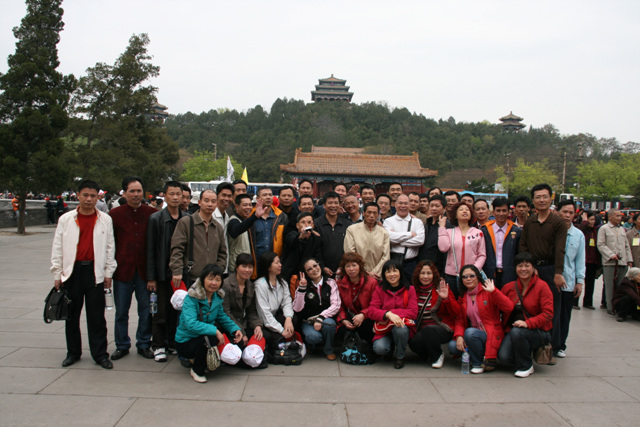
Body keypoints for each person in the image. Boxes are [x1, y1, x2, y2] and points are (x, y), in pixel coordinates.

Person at [50, 180, 117, 369]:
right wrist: (57, 273)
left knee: (97, 317)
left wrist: (108, 272)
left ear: (98, 197)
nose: (89, 199)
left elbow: (110, 247)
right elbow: (57, 247)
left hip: (95, 272)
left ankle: (100, 354)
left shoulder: (105, 219)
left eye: (93, 196)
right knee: (71, 315)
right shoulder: (66, 219)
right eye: (85, 195)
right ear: (78, 195)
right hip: (72, 272)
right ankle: (73, 352)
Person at [109, 176, 157, 361]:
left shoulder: (152, 214)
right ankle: (122, 345)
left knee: (146, 310)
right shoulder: (115, 215)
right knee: (121, 311)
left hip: (145, 272)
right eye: (132, 191)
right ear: (124, 193)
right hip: (122, 271)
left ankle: (144, 343)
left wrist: (153, 275)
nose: (136, 194)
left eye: (139, 191)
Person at [175, 264, 243, 383]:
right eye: (210, 279)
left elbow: (222, 316)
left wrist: (235, 329)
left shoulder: (217, 297)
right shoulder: (191, 298)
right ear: (203, 279)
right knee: (208, 339)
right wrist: (215, 331)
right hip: (186, 341)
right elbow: (191, 324)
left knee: (236, 339)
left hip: (204, 335)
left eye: (217, 280)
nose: (214, 283)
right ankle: (197, 370)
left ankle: (206, 360)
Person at [518, 184, 567, 343]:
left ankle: (552, 346)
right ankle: (536, 344)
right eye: (538, 197)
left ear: (550, 199)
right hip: (532, 270)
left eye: (545, 196)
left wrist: (558, 273)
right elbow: (523, 246)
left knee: (552, 309)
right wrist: (529, 267)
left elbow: (560, 249)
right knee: (531, 307)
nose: (541, 200)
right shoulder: (530, 222)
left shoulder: (558, 222)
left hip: (551, 269)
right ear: (533, 201)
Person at [448, 265, 513, 374]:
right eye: (464, 277)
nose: (468, 279)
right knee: (453, 346)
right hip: (473, 336)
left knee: (470, 333)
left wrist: (494, 292)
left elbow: (509, 307)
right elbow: (460, 320)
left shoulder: (488, 290)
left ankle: (477, 363)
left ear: (478, 277)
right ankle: (482, 356)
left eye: (472, 276)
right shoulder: (463, 296)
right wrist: (459, 336)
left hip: (490, 333)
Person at [146, 181, 185, 362]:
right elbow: (150, 250)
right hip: (162, 273)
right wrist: (151, 277)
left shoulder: (186, 218)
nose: (175, 197)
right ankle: (158, 345)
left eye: (178, 194)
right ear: (165, 195)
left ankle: (171, 342)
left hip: (180, 273)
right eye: (172, 194)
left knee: (176, 311)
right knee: (160, 312)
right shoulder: (156, 219)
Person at [499, 252, 554, 378]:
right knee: (504, 357)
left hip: (539, 331)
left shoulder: (542, 287)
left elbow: (548, 314)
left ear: (533, 268)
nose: (523, 269)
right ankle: (524, 352)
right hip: (514, 330)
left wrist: (527, 323)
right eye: (520, 266)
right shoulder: (509, 287)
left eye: (527, 266)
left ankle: (525, 366)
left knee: (517, 332)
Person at [169, 189, 228, 285]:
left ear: (216, 204)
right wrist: (177, 271)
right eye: (206, 200)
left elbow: (222, 253)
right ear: (199, 202)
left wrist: (219, 270)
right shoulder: (186, 222)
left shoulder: (218, 227)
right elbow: (177, 249)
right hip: (191, 277)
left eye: (213, 201)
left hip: (211, 280)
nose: (210, 204)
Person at [367, 259, 418, 369]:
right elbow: (371, 311)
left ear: (400, 272)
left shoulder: (410, 289)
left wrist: (393, 314)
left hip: (401, 327)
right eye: (388, 272)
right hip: (384, 328)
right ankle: (389, 350)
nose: (392, 274)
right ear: (384, 274)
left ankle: (400, 356)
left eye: (395, 271)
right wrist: (387, 314)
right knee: (379, 348)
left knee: (400, 329)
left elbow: (413, 312)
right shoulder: (379, 289)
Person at [408, 261, 460, 369]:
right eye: (422, 273)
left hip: (442, 328)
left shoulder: (441, 287)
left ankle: (437, 355)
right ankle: (429, 353)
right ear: (418, 274)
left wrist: (446, 299)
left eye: (429, 273)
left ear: (434, 275)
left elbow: (456, 311)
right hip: (421, 329)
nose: (425, 276)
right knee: (414, 343)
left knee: (429, 330)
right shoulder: (414, 289)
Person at [221, 253, 267, 367]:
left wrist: (257, 325)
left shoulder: (250, 286)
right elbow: (225, 312)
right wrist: (241, 332)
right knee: (240, 343)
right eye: (244, 266)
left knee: (262, 336)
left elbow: (251, 311)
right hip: (228, 325)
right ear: (236, 267)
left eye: (250, 267)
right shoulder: (226, 285)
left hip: (243, 322)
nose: (247, 270)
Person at [292, 258, 341, 360]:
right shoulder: (303, 286)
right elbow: (297, 309)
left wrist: (321, 317)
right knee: (313, 337)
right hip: (308, 321)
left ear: (319, 265)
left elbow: (336, 305)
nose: (314, 270)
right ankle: (311, 347)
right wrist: (302, 289)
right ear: (306, 273)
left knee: (330, 325)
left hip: (326, 319)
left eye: (315, 266)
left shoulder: (330, 282)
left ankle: (329, 350)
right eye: (309, 269)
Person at [554, 200, 585, 358]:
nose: (567, 215)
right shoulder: (551, 231)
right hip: (552, 281)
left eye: (570, 213)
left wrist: (580, 281)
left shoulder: (578, 235)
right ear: (557, 212)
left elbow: (580, 260)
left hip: (568, 282)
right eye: (564, 212)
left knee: (565, 316)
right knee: (551, 315)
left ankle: (560, 345)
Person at [438, 202, 486, 298]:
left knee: (471, 301)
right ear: (455, 215)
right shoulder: (449, 232)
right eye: (461, 210)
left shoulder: (478, 232)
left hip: (471, 276)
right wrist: (442, 227)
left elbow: (481, 255)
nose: (465, 211)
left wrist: (474, 270)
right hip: (452, 275)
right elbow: (443, 248)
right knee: (453, 301)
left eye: (467, 210)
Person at [253, 252, 296, 352]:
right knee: (276, 338)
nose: (280, 265)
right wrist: (282, 330)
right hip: (263, 321)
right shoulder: (260, 285)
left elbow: (287, 302)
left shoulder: (282, 282)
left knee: (293, 320)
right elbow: (264, 313)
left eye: (280, 262)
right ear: (268, 267)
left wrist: (288, 319)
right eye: (276, 263)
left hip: (274, 316)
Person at [336, 252, 378, 345]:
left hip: (367, 317)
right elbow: (339, 305)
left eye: (354, 265)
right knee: (341, 331)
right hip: (350, 317)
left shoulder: (372, 282)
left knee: (366, 327)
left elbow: (376, 304)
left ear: (360, 266)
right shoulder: (339, 284)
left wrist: (363, 314)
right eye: (348, 266)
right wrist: (343, 320)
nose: (351, 269)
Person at [597, 208, 633, 314]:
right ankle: (610, 307)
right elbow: (601, 245)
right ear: (610, 217)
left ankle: (619, 306)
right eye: (617, 216)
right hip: (610, 263)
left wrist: (629, 259)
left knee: (620, 286)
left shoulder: (622, 229)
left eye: (620, 216)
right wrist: (611, 255)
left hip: (622, 262)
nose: (620, 218)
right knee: (610, 286)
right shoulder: (604, 228)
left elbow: (626, 246)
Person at [481, 197, 521, 289]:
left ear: (509, 212)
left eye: (504, 210)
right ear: (493, 212)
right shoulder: (485, 230)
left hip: (509, 273)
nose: (501, 214)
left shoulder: (516, 231)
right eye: (498, 211)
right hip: (490, 273)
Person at [343, 202, 390, 279]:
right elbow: (350, 253)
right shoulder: (352, 230)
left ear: (378, 215)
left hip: (377, 276)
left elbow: (386, 256)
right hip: (357, 275)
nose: (372, 215)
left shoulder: (384, 233)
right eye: (369, 212)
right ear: (363, 213)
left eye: (374, 213)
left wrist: (374, 273)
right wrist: (364, 272)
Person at [249, 186, 288, 276]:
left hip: (274, 262)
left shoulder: (281, 216)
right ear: (258, 198)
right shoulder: (251, 216)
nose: (268, 197)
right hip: (255, 260)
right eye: (265, 195)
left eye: (270, 195)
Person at [384, 194, 425, 279]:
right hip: (393, 262)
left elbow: (420, 240)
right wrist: (410, 234)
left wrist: (397, 241)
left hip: (411, 264)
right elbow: (389, 238)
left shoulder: (417, 222)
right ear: (395, 205)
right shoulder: (388, 221)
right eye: (400, 203)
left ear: (409, 205)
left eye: (406, 203)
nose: (403, 206)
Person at [281, 212, 323, 284]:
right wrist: (301, 237)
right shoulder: (291, 234)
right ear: (297, 225)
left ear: (313, 225)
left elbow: (318, 256)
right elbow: (292, 241)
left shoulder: (315, 238)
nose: (306, 225)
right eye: (303, 222)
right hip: (290, 275)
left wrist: (323, 268)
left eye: (309, 222)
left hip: (308, 276)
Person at [227, 194, 264, 273]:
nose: (248, 207)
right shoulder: (233, 221)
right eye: (245, 205)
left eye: (250, 205)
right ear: (236, 206)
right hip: (236, 269)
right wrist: (255, 216)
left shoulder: (246, 221)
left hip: (247, 267)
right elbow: (237, 230)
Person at [314, 191, 348, 278]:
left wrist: (344, 266)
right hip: (322, 271)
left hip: (343, 270)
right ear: (324, 205)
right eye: (330, 203)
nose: (333, 206)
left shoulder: (346, 224)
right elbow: (315, 248)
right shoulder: (316, 224)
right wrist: (322, 266)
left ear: (340, 205)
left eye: (336, 203)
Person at [574, 211, 600, 309]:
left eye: (594, 220)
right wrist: (584, 221)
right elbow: (579, 230)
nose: (593, 222)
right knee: (578, 281)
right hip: (582, 260)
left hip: (592, 260)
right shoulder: (579, 228)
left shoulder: (595, 231)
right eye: (591, 219)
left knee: (590, 283)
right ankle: (574, 302)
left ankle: (588, 302)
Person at [418, 195, 447, 276]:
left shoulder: (447, 226)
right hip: (422, 265)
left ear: (444, 208)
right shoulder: (425, 224)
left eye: (437, 206)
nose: (434, 208)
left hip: (438, 267)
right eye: (432, 206)